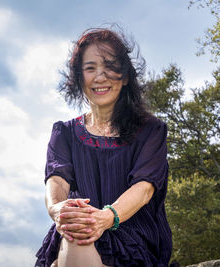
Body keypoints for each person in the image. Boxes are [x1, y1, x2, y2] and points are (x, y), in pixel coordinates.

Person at [35, 27, 172, 267]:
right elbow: (56, 180)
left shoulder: (152, 130)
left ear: (125, 76)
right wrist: (58, 210)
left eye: (109, 66)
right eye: (90, 68)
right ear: (79, 78)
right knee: (77, 233)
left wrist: (106, 218)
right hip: (76, 227)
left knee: (80, 234)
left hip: (132, 235)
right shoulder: (64, 132)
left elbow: (144, 189)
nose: (100, 76)